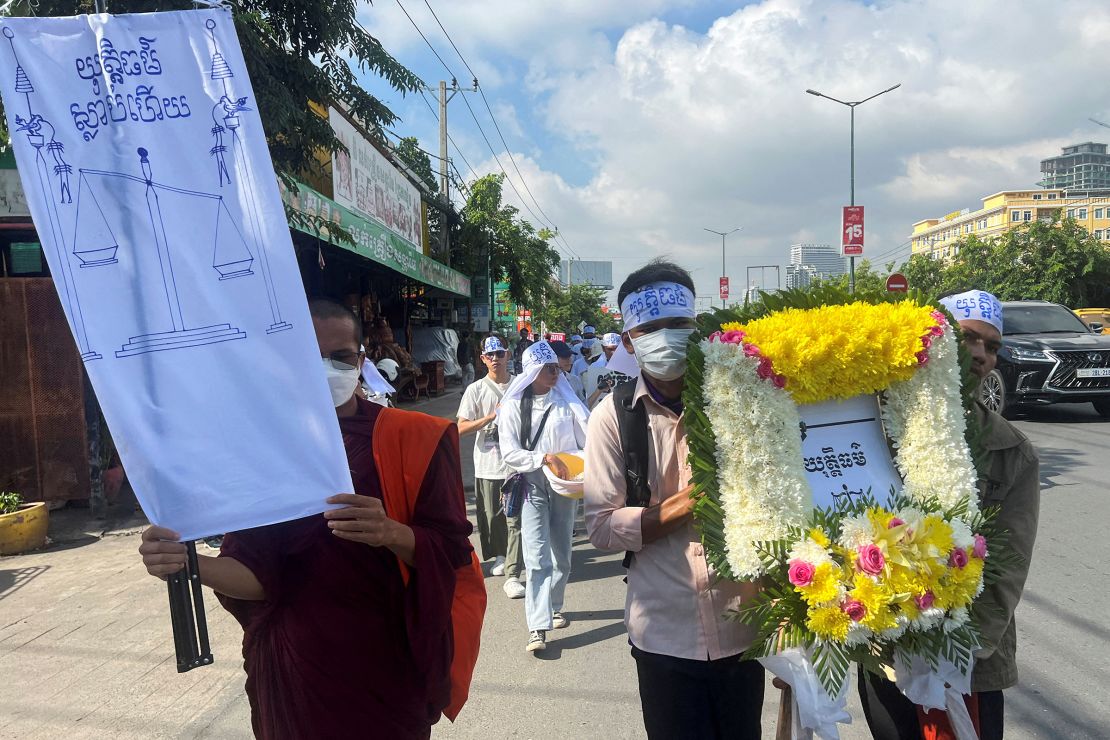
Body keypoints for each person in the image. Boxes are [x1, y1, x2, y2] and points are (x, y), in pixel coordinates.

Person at [138, 299, 485, 740]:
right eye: (308, 356)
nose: (325, 369)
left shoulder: (414, 437)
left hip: (387, 665)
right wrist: (188, 563)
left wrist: (392, 533)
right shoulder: (265, 451)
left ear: (361, 360)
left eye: (340, 357)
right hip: (296, 667)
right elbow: (258, 572)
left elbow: (451, 550)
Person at [584, 259, 764, 739]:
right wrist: (690, 502)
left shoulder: (741, 401)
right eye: (651, 328)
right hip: (664, 635)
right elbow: (601, 526)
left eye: (679, 325)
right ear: (628, 340)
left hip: (744, 630)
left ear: (697, 327)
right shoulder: (612, 418)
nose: (667, 337)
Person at [859, 290, 1040, 740]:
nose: (980, 354)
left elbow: (1006, 570)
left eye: (992, 346)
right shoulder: (871, 430)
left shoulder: (1010, 450)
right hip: (885, 653)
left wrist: (954, 653)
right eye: (967, 338)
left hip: (968, 663)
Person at [499, 341, 590, 653]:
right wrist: (544, 458)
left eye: (556, 367)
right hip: (531, 485)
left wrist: (567, 460)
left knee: (561, 554)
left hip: (566, 485)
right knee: (536, 556)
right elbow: (510, 452)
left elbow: (587, 442)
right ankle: (537, 627)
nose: (555, 372)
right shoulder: (512, 407)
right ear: (531, 371)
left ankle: (554, 605)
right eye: (547, 367)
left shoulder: (568, 405)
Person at [457, 336, 525, 599]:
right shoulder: (475, 389)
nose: (495, 359)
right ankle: (500, 555)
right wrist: (489, 418)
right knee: (491, 515)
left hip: (516, 463)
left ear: (508, 355)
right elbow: (460, 427)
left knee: (514, 518)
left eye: (500, 353)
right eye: (490, 355)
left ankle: (513, 569)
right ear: (483, 358)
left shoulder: (520, 386)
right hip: (487, 462)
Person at [585, 332, 622, 408]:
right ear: (603, 348)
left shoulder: (631, 366)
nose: (614, 352)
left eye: (616, 349)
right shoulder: (594, 368)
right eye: (610, 349)